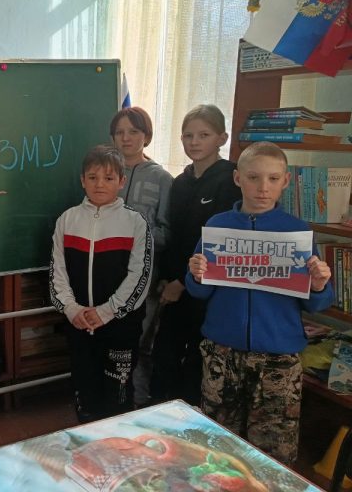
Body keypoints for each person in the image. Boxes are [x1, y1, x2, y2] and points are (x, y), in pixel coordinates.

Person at [187, 141, 333, 464]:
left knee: (272, 454)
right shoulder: (217, 226)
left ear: (285, 181)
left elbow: (317, 304)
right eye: (253, 178)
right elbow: (200, 292)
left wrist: (319, 285)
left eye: (272, 178)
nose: (263, 188)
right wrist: (196, 274)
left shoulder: (297, 232)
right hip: (222, 353)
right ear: (238, 178)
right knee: (217, 447)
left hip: (278, 358)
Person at [50, 145, 153, 422]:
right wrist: (72, 309)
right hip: (79, 324)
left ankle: (117, 442)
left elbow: (140, 276)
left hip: (120, 325)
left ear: (122, 182)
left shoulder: (135, 222)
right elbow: (58, 271)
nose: (99, 184)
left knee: (118, 393)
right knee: (85, 390)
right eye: (92, 177)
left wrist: (107, 311)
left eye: (108, 178)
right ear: (82, 180)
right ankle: (87, 440)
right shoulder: (67, 220)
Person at [151, 104, 241, 406]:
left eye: (204, 135)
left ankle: (191, 414)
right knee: (165, 354)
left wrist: (182, 281)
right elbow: (174, 235)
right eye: (187, 135)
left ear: (221, 138)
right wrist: (168, 277)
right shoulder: (180, 182)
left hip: (207, 289)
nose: (194, 142)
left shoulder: (230, 180)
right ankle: (161, 409)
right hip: (175, 285)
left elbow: (218, 242)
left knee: (196, 360)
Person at [110, 106, 172, 408]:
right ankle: (111, 401)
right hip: (107, 275)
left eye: (133, 132)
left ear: (146, 136)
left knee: (139, 344)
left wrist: (136, 237)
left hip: (145, 278)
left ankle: (136, 405)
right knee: (109, 340)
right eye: (119, 132)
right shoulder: (105, 173)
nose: (126, 138)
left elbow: (167, 232)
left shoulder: (162, 178)